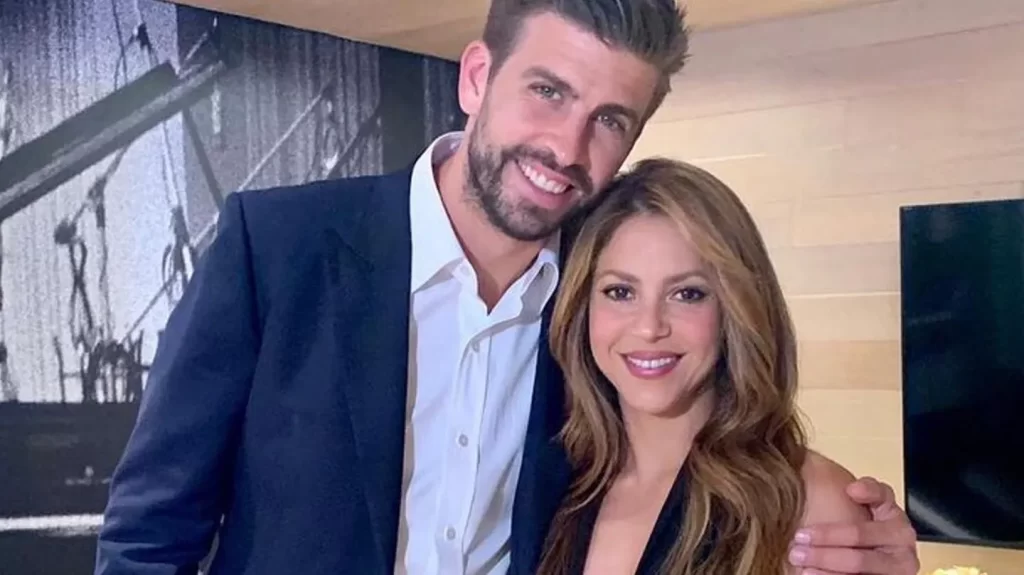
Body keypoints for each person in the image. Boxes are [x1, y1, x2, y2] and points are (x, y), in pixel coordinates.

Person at [94, 1, 920, 574]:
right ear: (477, 76)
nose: (567, 146)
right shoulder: (278, 246)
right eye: (548, 91)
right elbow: (149, 535)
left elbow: (702, 475)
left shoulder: (601, 307)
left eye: (610, 120)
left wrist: (859, 536)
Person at [535, 157, 887, 574]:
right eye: (620, 292)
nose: (649, 327)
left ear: (735, 309)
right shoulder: (555, 493)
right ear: (582, 305)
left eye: (687, 294)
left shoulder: (811, 505)